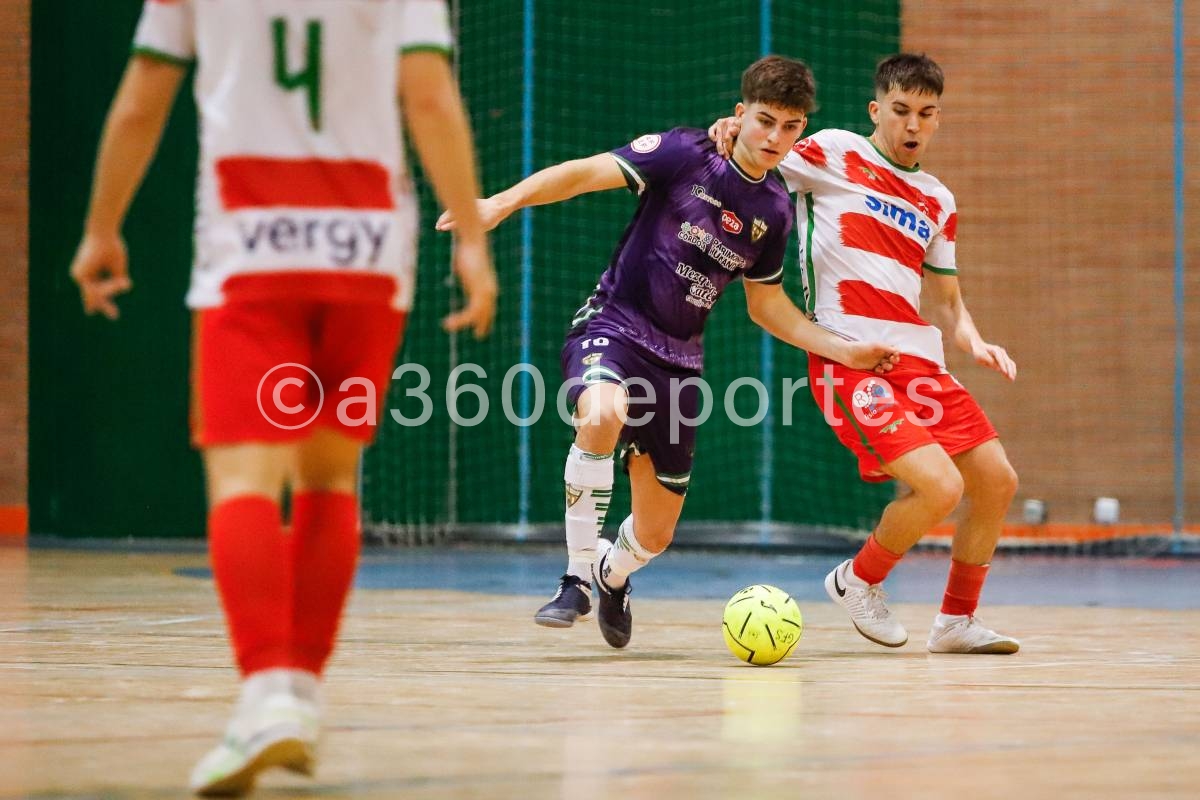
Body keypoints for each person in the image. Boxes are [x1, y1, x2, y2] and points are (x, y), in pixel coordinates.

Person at [69, 1, 497, 795]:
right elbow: (431, 96)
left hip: (251, 238)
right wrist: (471, 239)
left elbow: (141, 99)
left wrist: (102, 226)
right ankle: (297, 692)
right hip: (370, 247)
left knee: (245, 485)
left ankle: (265, 694)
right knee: (330, 480)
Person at [438, 55, 899, 649]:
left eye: (790, 127)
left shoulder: (776, 212)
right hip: (615, 325)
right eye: (765, 121)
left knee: (655, 535)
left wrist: (848, 350)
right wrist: (499, 202)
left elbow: (768, 308)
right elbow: (583, 172)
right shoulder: (683, 153)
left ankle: (611, 574)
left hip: (678, 364)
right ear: (740, 114)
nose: (775, 138)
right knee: (600, 413)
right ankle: (577, 577)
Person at [712, 53, 1020, 655]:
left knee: (997, 482)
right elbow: (758, 157)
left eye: (926, 115)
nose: (912, 125)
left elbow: (949, 302)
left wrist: (975, 338)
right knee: (938, 488)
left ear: (937, 121)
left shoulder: (937, 198)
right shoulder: (831, 150)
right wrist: (726, 133)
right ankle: (858, 580)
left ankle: (955, 623)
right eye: (901, 111)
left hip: (921, 362)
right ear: (877, 110)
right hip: (851, 355)